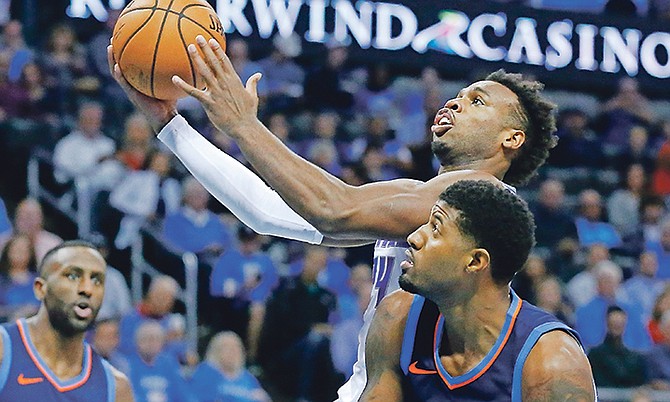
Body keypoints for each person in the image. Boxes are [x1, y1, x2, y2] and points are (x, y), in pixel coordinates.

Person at [108, 37, 558, 401]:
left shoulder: (479, 200)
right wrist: (171, 126)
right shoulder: (421, 194)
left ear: (511, 138)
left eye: (476, 101)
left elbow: (334, 210)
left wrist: (244, 125)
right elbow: (271, 213)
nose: (456, 103)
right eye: (459, 95)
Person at [359, 180, 594, 400]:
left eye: (435, 229)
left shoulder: (552, 362)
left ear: (475, 262)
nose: (414, 237)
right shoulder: (397, 317)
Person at [0, 240, 134, 401]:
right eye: (73, 276)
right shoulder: (4, 349)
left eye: (96, 280)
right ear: (40, 288)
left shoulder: (116, 387)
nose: (87, 289)